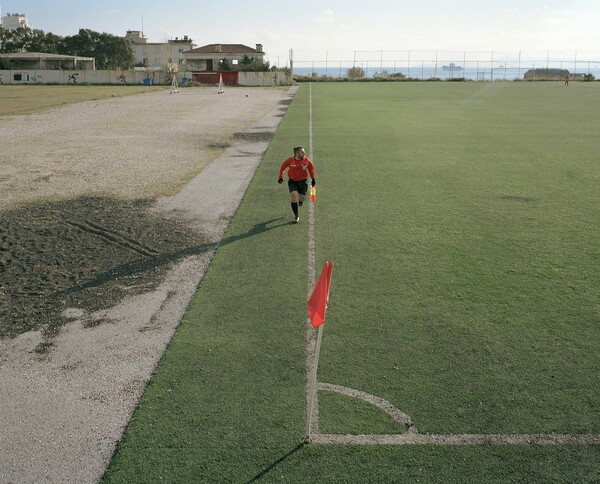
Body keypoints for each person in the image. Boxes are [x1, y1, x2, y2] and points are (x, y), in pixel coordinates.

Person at [278, 146, 316, 223]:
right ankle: (296, 215)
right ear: (297, 153)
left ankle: (301, 201)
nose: (304, 153)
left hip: (303, 182)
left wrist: (313, 179)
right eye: (302, 152)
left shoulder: (306, 160)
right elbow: (283, 167)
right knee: (294, 195)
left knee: (302, 198)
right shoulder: (290, 160)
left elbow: (311, 169)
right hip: (293, 181)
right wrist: (281, 177)